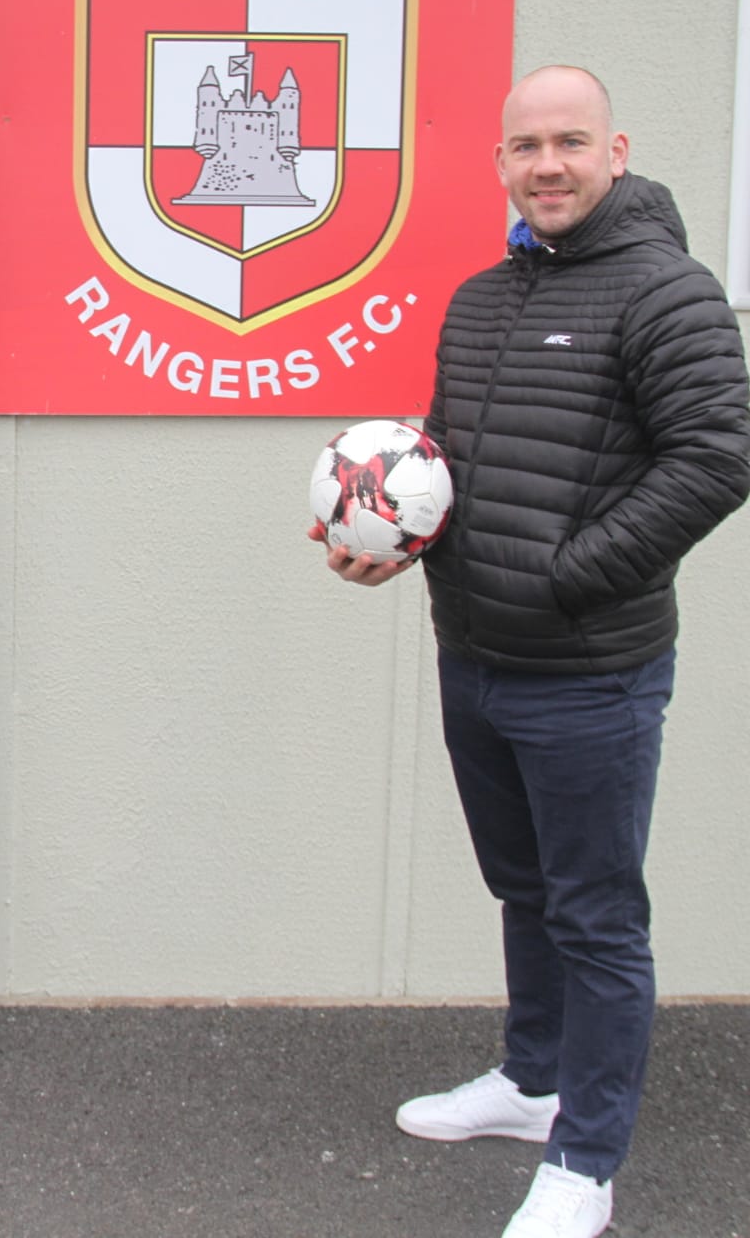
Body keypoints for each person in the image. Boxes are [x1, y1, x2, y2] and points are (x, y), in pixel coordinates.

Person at [311, 65, 750, 1238]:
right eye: (525, 146)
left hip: (591, 673)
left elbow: (717, 457)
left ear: (616, 151)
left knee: (595, 914)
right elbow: (448, 463)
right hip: (475, 653)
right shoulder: (481, 298)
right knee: (523, 888)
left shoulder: (666, 292)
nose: (546, 163)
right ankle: (532, 1077)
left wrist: (566, 576)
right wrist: (387, 539)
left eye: (569, 141)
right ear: (499, 163)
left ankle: (584, 1160)